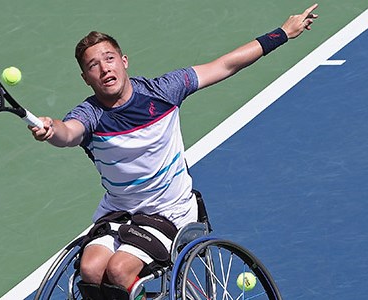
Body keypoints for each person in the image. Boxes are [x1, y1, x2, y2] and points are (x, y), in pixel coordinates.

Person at [30, 4, 319, 299]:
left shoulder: (163, 91)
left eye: (109, 58)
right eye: (94, 65)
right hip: (119, 213)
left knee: (118, 271)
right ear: (86, 78)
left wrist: (282, 33)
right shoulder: (89, 114)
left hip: (169, 211)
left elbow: (225, 65)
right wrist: (51, 129)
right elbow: (68, 132)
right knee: (91, 270)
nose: (105, 68)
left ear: (124, 61)